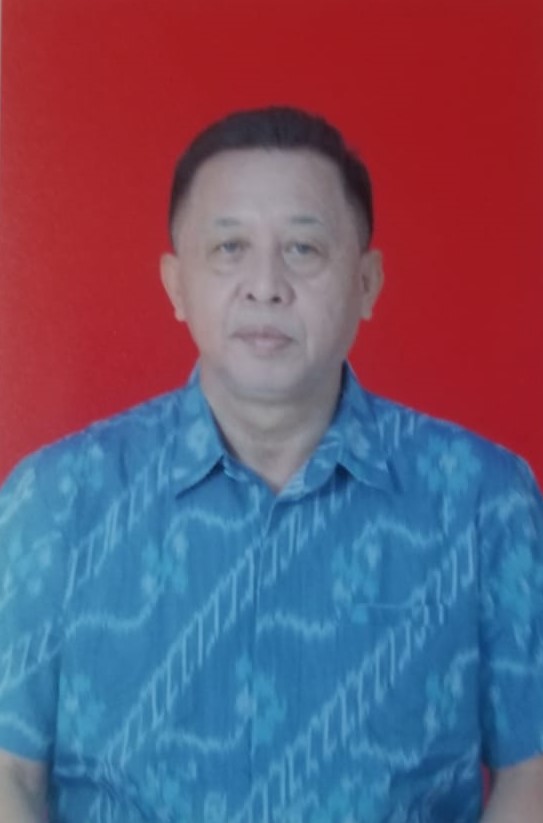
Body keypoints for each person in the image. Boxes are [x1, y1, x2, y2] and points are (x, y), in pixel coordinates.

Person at [0, 106, 542, 823]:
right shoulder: (58, 498)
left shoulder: (482, 499)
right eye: (229, 247)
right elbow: (11, 775)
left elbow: (531, 770)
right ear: (176, 285)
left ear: (367, 282)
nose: (265, 285)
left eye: (303, 249)